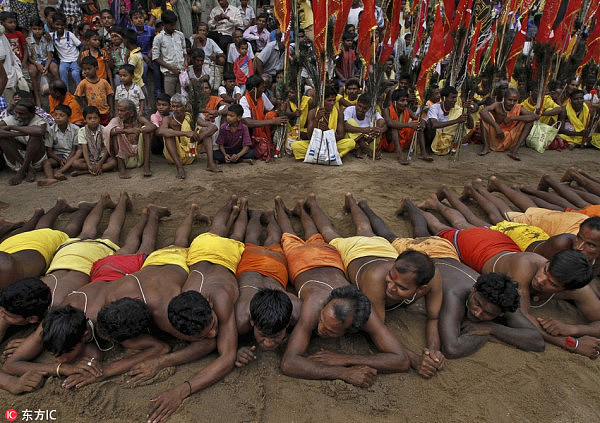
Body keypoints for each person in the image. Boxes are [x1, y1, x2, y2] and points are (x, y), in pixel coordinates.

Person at [415, 194, 600, 358]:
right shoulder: (525, 268)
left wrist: (573, 328)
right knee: (445, 228)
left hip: (504, 247)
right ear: (547, 261)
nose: (540, 279)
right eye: (545, 270)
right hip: (479, 249)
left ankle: (437, 203)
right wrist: (571, 343)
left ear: (567, 288)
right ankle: (428, 206)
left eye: (551, 283)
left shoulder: (579, 288)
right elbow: (522, 318)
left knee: (466, 224)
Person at [274, 195, 413, 387]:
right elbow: (289, 363)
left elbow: (401, 360)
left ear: (352, 328)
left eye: (330, 330)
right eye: (322, 320)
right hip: (302, 260)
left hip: (329, 258)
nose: (320, 328)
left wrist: (346, 358)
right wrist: (343, 373)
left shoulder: (362, 311)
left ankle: (301, 207)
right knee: (288, 233)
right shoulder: (315, 304)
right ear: (324, 307)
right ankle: (280, 206)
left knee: (313, 233)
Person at [305, 192, 445, 377]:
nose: (391, 288)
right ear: (394, 266)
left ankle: (352, 201)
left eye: (401, 287)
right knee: (330, 233)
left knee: (365, 228)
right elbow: (379, 330)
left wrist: (433, 352)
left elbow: (434, 318)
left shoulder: (433, 278)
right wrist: (416, 360)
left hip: (382, 249)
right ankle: (312, 203)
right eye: (391, 278)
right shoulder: (376, 280)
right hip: (354, 252)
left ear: (421, 289)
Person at [146, 196, 247, 423]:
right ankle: (232, 203)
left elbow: (227, 357)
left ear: (209, 304)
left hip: (221, 258)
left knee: (236, 235)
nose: (213, 334)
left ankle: (242, 207)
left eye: (212, 326)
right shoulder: (182, 308)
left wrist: (182, 390)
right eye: (205, 334)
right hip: (200, 253)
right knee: (218, 228)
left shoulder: (219, 299)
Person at [233, 209, 301, 366]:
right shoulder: (239, 317)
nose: (269, 343)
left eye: (276, 335)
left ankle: (258, 216)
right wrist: (235, 350)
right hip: (267, 266)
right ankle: (269, 216)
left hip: (266, 265)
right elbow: (221, 340)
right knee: (271, 240)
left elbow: (306, 328)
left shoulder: (297, 309)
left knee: (253, 238)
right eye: (263, 335)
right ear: (251, 321)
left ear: (289, 321)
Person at [438, 271, 544, 358]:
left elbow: (537, 341)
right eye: (477, 303)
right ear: (474, 288)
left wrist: (491, 328)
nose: (477, 313)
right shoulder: (456, 294)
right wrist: (490, 336)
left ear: (502, 313)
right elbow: (452, 349)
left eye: (488, 313)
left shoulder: (504, 302)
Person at [0, 197, 88, 288]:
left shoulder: (6, 274)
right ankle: (62, 207)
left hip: (29, 249)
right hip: (19, 248)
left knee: (66, 232)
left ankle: (82, 208)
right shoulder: (6, 268)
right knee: (43, 230)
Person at [156, 93, 219, 178]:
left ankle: (210, 163)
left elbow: (213, 127)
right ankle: (179, 168)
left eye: (178, 106)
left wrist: (200, 136)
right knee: (168, 134)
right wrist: (186, 133)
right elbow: (160, 131)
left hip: (191, 153)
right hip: (174, 157)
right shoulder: (167, 119)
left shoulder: (191, 117)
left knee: (204, 131)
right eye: (173, 106)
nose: (175, 109)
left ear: (185, 107)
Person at [291, 86, 355, 159]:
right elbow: (310, 136)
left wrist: (328, 131)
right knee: (295, 146)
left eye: (334, 100)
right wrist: (317, 119)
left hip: (332, 144)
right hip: (316, 144)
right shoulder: (313, 112)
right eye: (329, 100)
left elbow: (340, 136)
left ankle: (318, 156)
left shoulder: (339, 113)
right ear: (322, 101)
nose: (332, 103)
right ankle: (331, 156)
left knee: (350, 143)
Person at [0, 99, 50, 185]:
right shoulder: (10, 119)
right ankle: (27, 169)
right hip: (17, 161)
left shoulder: (39, 120)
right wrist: (18, 134)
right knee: (3, 138)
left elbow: (39, 131)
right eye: (16, 112)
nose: (17, 116)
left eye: (22, 114)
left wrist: (13, 127)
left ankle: (23, 170)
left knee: (35, 136)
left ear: (32, 114)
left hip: (36, 160)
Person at [479, 87, 538, 160]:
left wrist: (513, 118)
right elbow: (482, 111)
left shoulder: (518, 107)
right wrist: (497, 127)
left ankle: (514, 150)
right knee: (484, 117)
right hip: (495, 137)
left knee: (529, 121)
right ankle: (486, 147)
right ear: (504, 98)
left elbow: (535, 116)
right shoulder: (497, 105)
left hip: (509, 139)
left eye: (515, 100)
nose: (512, 103)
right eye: (509, 100)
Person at [105, 99, 155, 179]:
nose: (119, 113)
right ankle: (121, 168)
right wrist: (126, 131)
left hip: (139, 157)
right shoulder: (116, 120)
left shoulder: (139, 119)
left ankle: (146, 165)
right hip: (124, 159)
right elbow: (108, 130)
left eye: (122, 111)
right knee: (115, 132)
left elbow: (153, 126)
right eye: (118, 110)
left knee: (146, 130)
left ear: (131, 113)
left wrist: (140, 130)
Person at [382, 89, 430, 164]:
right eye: (402, 100)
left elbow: (419, 119)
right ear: (394, 101)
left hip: (403, 142)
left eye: (406, 100)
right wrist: (409, 125)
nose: (405, 103)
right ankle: (400, 155)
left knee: (417, 124)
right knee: (394, 127)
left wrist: (422, 123)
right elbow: (390, 123)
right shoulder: (386, 110)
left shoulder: (406, 110)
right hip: (389, 143)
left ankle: (423, 153)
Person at [37, 105, 80, 186]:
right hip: (57, 156)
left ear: (68, 118)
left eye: (61, 115)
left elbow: (74, 149)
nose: (57, 117)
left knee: (76, 157)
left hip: (71, 155)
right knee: (46, 162)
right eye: (55, 115)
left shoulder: (75, 129)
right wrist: (59, 159)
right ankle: (50, 178)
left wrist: (67, 159)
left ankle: (60, 172)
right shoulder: (51, 130)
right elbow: (49, 151)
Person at [425, 85, 474, 156]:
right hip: (433, 137)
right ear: (443, 98)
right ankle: (428, 148)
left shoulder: (458, 110)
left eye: (456, 97)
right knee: (429, 125)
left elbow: (470, 126)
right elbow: (434, 125)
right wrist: (456, 121)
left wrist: (468, 112)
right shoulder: (434, 108)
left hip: (448, 141)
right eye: (452, 97)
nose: (455, 100)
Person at [69, 105, 116, 177]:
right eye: (89, 118)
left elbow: (107, 149)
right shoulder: (82, 131)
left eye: (95, 118)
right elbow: (84, 149)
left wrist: (100, 163)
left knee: (113, 162)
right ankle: (94, 169)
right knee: (75, 163)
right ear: (85, 120)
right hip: (90, 158)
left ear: (99, 119)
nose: (93, 120)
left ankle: (84, 172)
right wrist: (89, 165)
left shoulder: (104, 130)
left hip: (102, 157)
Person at [240, 75, 287, 143]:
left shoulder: (261, 95)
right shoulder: (243, 101)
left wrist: (280, 109)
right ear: (254, 89)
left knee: (271, 115)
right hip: (250, 133)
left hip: (262, 128)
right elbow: (248, 122)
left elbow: (271, 110)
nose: (263, 90)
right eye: (262, 88)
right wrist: (273, 121)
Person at [152, 11, 187, 96]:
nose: (174, 27)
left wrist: (185, 63)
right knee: (169, 98)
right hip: (169, 75)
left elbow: (184, 51)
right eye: (171, 25)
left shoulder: (180, 35)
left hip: (182, 73)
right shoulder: (158, 38)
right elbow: (156, 57)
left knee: (183, 98)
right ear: (164, 24)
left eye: (175, 24)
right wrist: (171, 68)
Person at [343, 93, 387, 159]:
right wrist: (365, 130)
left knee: (378, 129)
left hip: (368, 140)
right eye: (359, 106)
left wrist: (376, 129)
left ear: (369, 107)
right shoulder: (350, 109)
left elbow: (382, 122)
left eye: (364, 108)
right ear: (356, 103)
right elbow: (345, 126)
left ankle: (360, 148)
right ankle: (365, 149)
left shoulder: (372, 111)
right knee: (350, 122)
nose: (360, 110)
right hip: (352, 141)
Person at [27, 20, 59, 108]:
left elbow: (49, 56)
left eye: (39, 29)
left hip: (46, 61)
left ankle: (59, 92)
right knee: (32, 71)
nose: (37, 31)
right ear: (31, 29)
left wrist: (46, 67)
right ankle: (37, 98)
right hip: (35, 61)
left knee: (54, 69)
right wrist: (37, 65)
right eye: (34, 29)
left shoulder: (47, 39)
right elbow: (29, 57)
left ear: (43, 30)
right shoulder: (29, 40)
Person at [75, 56, 114, 125]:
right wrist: (84, 107)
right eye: (84, 69)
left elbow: (109, 95)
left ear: (96, 68)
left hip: (105, 112)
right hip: (92, 114)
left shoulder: (104, 82)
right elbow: (77, 96)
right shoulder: (83, 82)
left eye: (89, 69)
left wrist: (111, 109)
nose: (86, 71)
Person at [51, 13, 82, 92]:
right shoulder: (52, 36)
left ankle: (80, 93)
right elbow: (43, 34)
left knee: (75, 74)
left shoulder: (70, 35)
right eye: (57, 24)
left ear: (65, 25)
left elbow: (81, 45)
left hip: (75, 59)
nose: (59, 27)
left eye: (62, 25)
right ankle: (66, 93)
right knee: (62, 71)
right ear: (53, 24)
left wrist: (79, 58)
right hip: (64, 61)